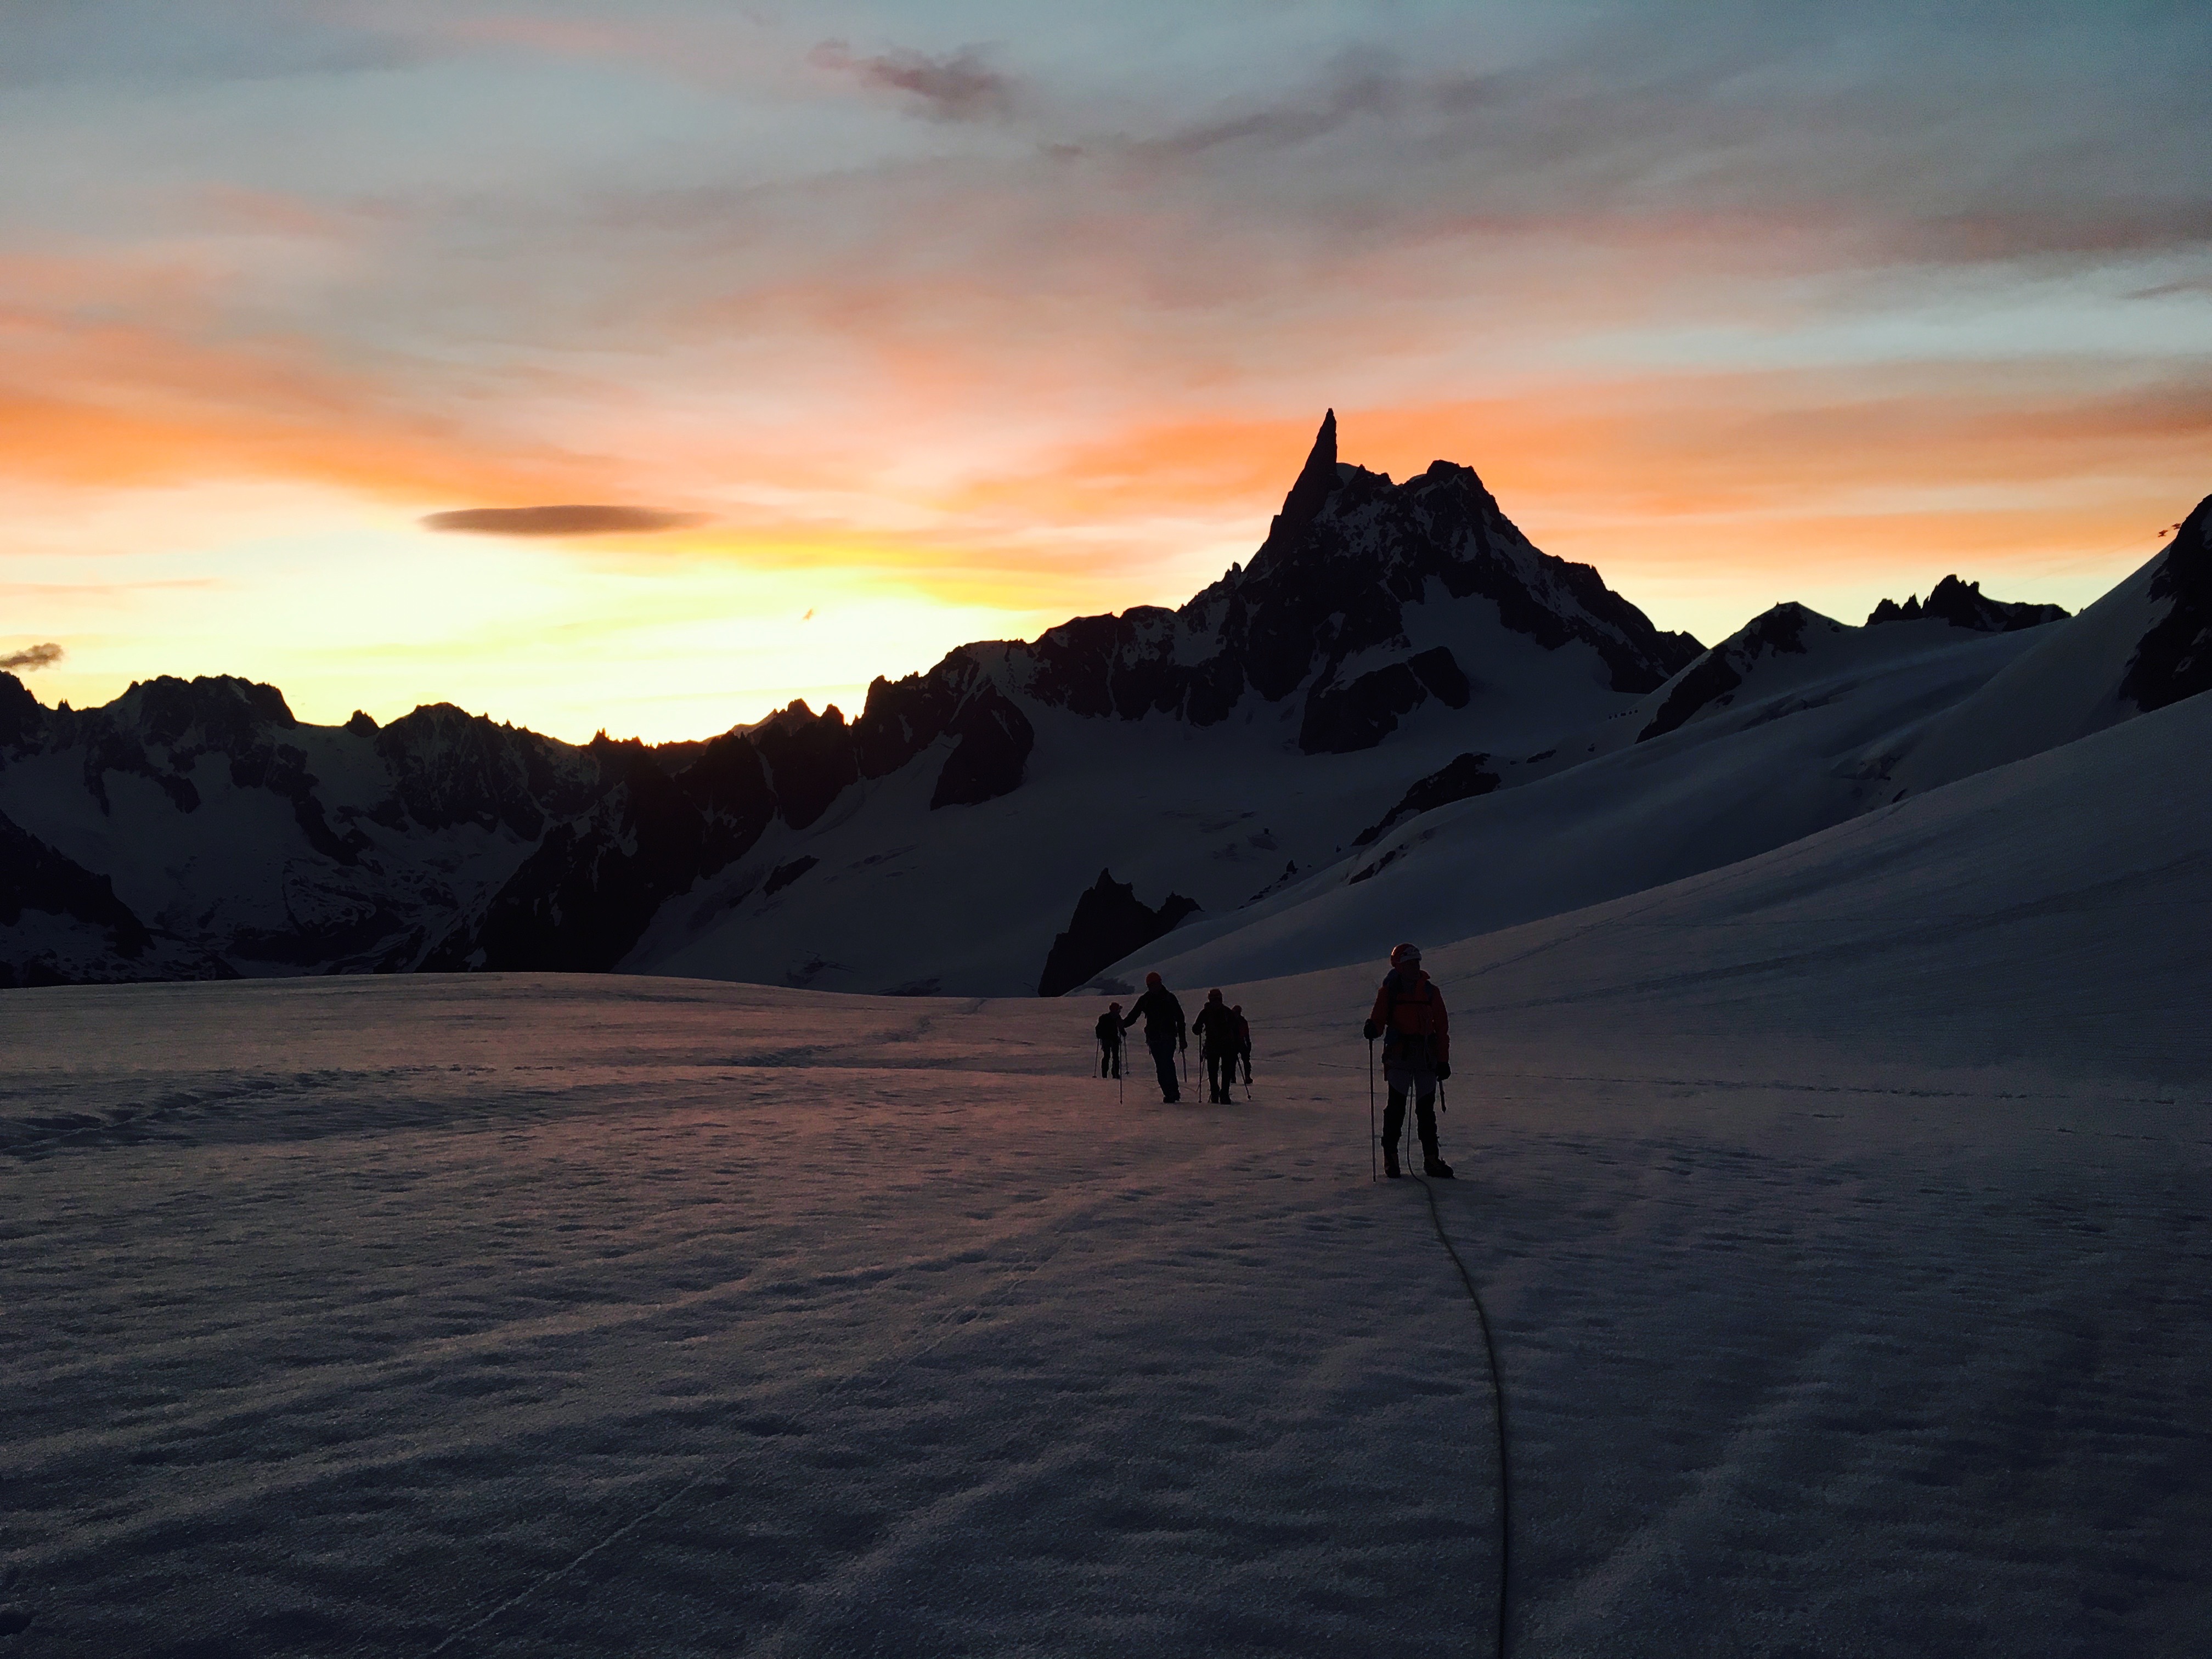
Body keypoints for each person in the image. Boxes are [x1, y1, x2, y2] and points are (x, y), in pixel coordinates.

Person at [1362, 943, 1453, 1178]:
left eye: (1417, 962)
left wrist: (1443, 1060)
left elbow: (1441, 1029)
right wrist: (1373, 1027)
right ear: (1400, 966)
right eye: (1410, 963)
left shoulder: (1430, 992)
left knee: (1425, 1111)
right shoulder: (1391, 992)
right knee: (1397, 1108)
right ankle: (1394, 1159)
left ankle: (1429, 1159)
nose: (1415, 966)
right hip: (1403, 1057)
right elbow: (1379, 1020)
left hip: (1423, 1057)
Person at [1121, 972, 1187, 1102]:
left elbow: (1180, 1018)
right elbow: (1134, 1015)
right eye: (1152, 985)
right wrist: (1123, 1024)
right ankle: (1171, 1092)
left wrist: (1183, 1039)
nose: (1154, 987)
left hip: (1165, 1037)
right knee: (1164, 1064)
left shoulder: (1158, 998)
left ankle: (1171, 1092)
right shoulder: (1159, 998)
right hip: (1157, 1038)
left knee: (1165, 1063)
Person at [1192, 988, 1240, 1104]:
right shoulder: (1227, 1012)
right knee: (1226, 1070)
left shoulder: (1206, 1012)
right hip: (1226, 1045)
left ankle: (1215, 1093)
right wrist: (1236, 1045)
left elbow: (1196, 1029)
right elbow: (1235, 1029)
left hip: (1213, 1046)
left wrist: (1198, 1030)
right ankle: (1224, 1095)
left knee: (1213, 1070)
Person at [1094, 1002, 1125, 1079]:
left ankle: (1104, 1074)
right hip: (1114, 1039)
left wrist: (1099, 1035)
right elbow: (1120, 1027)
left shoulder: (1104, 1018)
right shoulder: (1117, 1017)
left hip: (1106, 1039)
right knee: (1115, 1057)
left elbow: (1098, 1028)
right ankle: (1115, 1074)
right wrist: (1123, 1033)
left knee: (1107, 1056)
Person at [1232, 1004, 1254, 1087]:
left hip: (1238, 1043)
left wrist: (1248, 1043)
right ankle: (1234, 1077)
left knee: (1242, 1060)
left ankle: (1245, 1077)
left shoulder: (1240, 1021)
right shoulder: (1242, 1021)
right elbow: (1246, 1034)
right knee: (1235, 1060)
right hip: (1237, 1043)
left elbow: (1246, 1034)